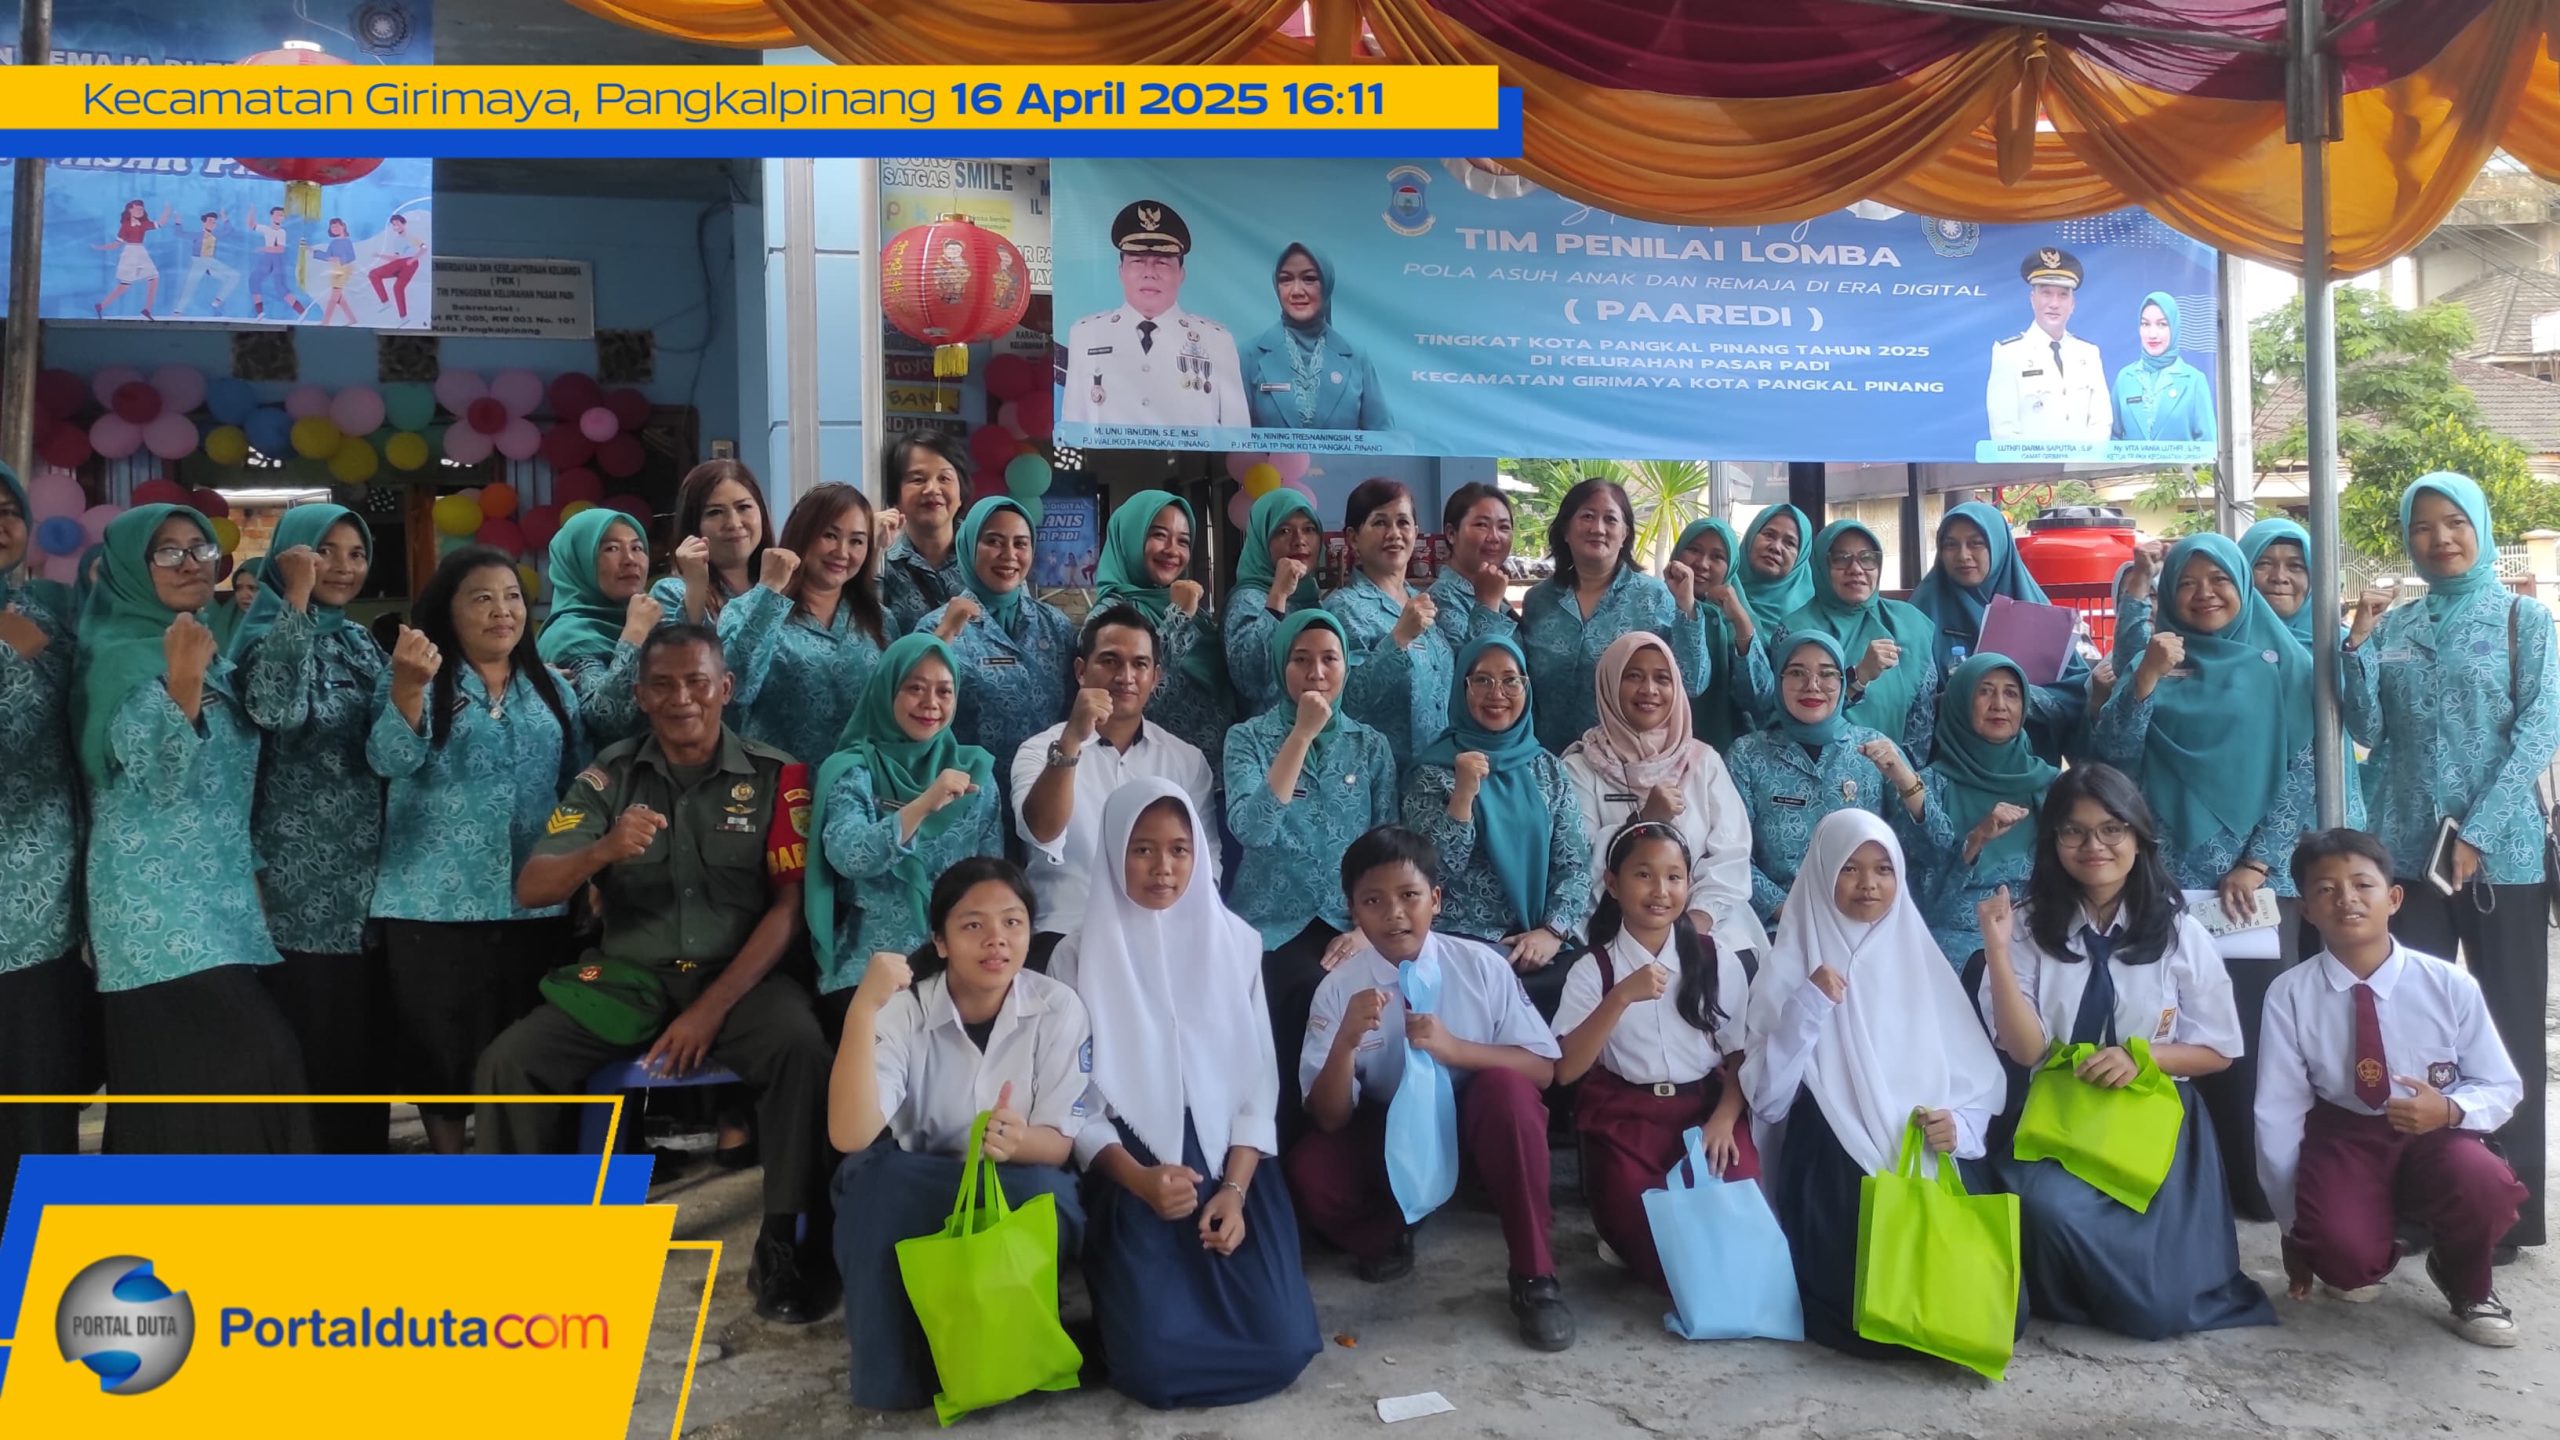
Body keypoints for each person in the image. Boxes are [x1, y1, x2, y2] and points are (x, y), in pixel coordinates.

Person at [475, 624, 835, 1323]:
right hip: (627, 980)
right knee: (509, 1062)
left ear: (725, 688)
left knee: (802, 1049)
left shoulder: (776, 776)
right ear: (640, 695)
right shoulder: (609, 777)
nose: (682, 699)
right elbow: (534, 886)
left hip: (740, 981)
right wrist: (602, 851)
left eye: (697, 682)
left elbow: (789, 909)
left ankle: (787, 1247)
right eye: (663, 685)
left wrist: (710, 1009)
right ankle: (527, 1250)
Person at [1975, 766, 2274, 1338]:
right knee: (2045, 1207)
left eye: (2112, 829)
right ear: (2052, 841)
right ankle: (2069, 1293)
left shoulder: (2178, 930)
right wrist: (1996, 951)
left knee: (2158, 1310)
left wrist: (2143, 1058)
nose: (2094, 846)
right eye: (2074, 831)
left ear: (2139, 836)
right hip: (2060, 1111)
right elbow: (2027, 1049)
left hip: (2153, 1117)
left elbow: (2219, 1050)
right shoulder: (2028, 926)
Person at [2343, 470, 2557, 1252]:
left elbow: (2540, 730)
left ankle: (2507, 1210)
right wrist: (2356, 649)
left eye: (2455, 522)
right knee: (2418, 1030)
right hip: (2407, 854)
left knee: (2506, 1024)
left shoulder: (2524, 619)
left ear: (2480, 528)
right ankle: (2425, 1201)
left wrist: (2479, 832)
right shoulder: (2395, 626)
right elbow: (2366, 728)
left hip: (2502, 859)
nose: (2440, 539)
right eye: (2423, 526)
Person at [1070, 780, 1322, 1408]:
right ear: (1113, 852)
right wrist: (1140, 1181)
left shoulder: (1236, 943)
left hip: (1231, 1158)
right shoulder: (1076, 958)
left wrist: (1234, 1190)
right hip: (1135, 1166)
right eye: (1142, 849)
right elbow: (1077, 1105)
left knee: (1284, 1347)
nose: (1163, 867)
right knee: (1152, 1369)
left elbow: (1257, 1080)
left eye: (1179, 849)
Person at [76, 504, 310, 1154]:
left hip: (222, 900)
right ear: (130, 568)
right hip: (153, 911)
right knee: (259, 1060)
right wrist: (182, 678)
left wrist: (251, 868)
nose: (189, 564)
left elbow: (228, 784)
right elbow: (158, 776)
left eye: (201, 549)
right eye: (167, 552)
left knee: (188, 1086)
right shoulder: (117, 660)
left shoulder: (214, 655)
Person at [1286, 827, 1574, 1351]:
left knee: (1508, 1093)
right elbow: (1329, 1117)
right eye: (1373, 901)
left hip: (1474, 1117)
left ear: (1436, 900)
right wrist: (1345, 1044)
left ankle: (1535, 1274)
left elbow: (1542, 1069)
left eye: (1409, 896)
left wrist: (1455, 1049)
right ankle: (1391, 1228)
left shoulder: (1481, 965)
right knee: (1313, 1170)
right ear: (1353, 910)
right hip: (1389, 1125)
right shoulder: (1339, 989)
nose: (1394, 913)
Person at [827, 860, 1093, 1413]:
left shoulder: (1058, 1007)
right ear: (941, 941)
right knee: (874, 1185)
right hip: (921, 1179)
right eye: (973, 925)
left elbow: (1059, 1144)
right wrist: (862, 1010)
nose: (997, 939)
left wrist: (1017, 1143)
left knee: (1049, 1194)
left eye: (1012, 922)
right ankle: (898, 1375)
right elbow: (850, 1134)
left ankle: (1010, 1354)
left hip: (1013, 1177)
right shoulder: (904, 1010)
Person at [1739, 809, 2006, 1358]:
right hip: (1835, 1149)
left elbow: (1977, 1079)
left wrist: (1960, 1126)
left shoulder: (1919, 960)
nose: (1868, 884)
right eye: (1849, 868)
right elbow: (1768, 1099)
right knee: (1859, 1309)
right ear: (1821, 874)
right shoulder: (1789, 966)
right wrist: (1808, 1007)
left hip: (1921, 1150)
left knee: (1993, 1306)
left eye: (1883, 869)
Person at [2259, 828, 2528, 1347]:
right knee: (2343, 1264)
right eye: (2326, 889)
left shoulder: (2448, 984)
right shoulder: (2289, 993)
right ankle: (2381, 1237)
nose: (2347, 899)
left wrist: (2449, 1110)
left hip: (2434, 1133)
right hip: (2345, 1135)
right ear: (2307, 910)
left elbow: (2501, 1084)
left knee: (2483, 1181)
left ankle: (2467, 1281)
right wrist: (2293, 1230)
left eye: (2363, 885)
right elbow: (2278, 1112)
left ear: (2394, 898)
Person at [368, 545, 584, 1155]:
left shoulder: (551, 690)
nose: (502, 611)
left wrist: (581, 867)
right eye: (482, 598)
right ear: (448, 612)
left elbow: (578, 783)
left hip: (533, 898)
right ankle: (450, 1165)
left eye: (512, 597)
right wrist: (408, 691)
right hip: (432, 900)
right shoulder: (415, 679)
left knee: (524, 1038)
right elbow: (388, 761)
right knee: (439, 1044)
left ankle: (515, 1161)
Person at [232, 504, 392, 1154]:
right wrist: (296, 599)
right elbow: (275, 707)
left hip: (367, 880)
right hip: (297, 885)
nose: (345, 568)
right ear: (292, 556)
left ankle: (360, 1183)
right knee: (314, 1046)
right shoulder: (261, 634)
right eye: (325, 552)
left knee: (360, 1051)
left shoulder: (358, 640)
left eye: (357, 553)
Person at [1552, 820, 1756, 1289]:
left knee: (1735, 1220)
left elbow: (1739, 1055)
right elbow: (1566, 1070)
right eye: (1643, 875)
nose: (1660, 891)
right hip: (1626, 1119)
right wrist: (1620, 997)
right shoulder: (1594, 969)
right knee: (1658, 1251)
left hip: (1705, 1111)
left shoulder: (1716, 958)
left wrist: (1724, 1120)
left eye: (1674, 877)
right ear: (1612, 884)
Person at [1222, 610, 1399, 1139]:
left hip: (1352, 922)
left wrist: (1366, 931)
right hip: (1273, 923)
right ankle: (1282, 1147)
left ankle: (1359, 1145)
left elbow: (1387, 850)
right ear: (1282, 666)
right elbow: (1251, 829)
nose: (1316, 672)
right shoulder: (1248, 738)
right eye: (1300, 659)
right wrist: (1300, 736)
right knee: (1299, 990)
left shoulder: (1370, 745)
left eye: (1329, 659)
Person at [2094, 533, 2313, 928]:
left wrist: (2256, 864)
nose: (2204, 593)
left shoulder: (2288, 666)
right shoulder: (2154, 661)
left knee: (2258, 971)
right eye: (2187, 583)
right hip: (2160, 871)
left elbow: (2303, 770)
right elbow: (2114, 757)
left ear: (2242, 583)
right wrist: (2145, 677)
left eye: (2219, 579)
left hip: (2256, 883)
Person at [807, 634, 1003, 1033]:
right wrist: (922, 805)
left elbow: (992, 880)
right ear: (886, 691)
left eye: (944, 691)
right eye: (915, 688)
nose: (930, 703)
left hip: (959, 963)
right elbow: (849, 856)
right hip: (870, 964)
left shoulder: (975, 775)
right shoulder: (851, 770)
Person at [1011, 606, 1216, 976]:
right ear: (1080, 671)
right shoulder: (1039, 750)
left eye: (1140, 664)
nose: (1125, 677)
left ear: (1156, 677)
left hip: (1162, 937)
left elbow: (1206, 865)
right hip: (1066, 932)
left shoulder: (1186, 760)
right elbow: (1041, 831)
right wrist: (1071, 741)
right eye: (1110, 661)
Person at [1403, 637, 1594, 1016]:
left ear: (1526, 687)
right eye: (1482, 680)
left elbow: (1574, 866)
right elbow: (1430, 874)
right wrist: (1462, 797)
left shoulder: (1548, 769)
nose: (1497, 693)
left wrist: (1553, 931)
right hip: (1458, 944)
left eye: (1510, 680)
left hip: (1538, 942)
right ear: (1463, 687)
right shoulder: (1431, 771)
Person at [0, 464, 94, 1201]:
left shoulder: (51, 611)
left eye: (9, 510)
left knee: (42, 1089)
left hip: (46, 899)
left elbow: (80, 717)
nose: (0, 523)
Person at [1562, 631, 1769, 962]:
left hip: (1709, 926)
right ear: (1610, 685)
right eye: (1633, 676)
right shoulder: (1581, 767)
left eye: (1662, 678)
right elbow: (1578, 864)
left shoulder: (1702, 762)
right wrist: (1644, 821)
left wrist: (1695, 924)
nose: (1649, 690)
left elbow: (1731, 854)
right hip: (1615, 928)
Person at [1521, 477, 1712, 754]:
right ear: (1565, 529)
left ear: (1624, 534)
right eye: (1587, 516)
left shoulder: (1654, 596)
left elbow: (1693, 682)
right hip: (1547, 760)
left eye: (1610, 519)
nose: (1598, 528)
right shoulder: (1538, 600)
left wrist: (1686, 606)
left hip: (1627, 764)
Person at [917, 496, 1076, 818]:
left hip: (1046, 798)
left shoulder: (1056, 626)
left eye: (1021, 543)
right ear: (968, 546)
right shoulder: (937, 627)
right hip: (967, 804)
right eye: (993, 541)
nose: (1009, 555)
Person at [1726, 633, 1897, 928]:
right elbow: (1731, 854)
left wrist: (1907, 780)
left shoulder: (1874, 750)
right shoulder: (1748, 755)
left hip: (1865, 923)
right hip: (1778, 928)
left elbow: (1919, 850)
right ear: (1778, 681)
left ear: (1842, 681)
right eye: (1796, 673)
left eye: (1827, 674)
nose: (1812, 685)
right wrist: (1789, 912)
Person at [720, 482, 889, 767]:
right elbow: (736, 691)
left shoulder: (879, 619)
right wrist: (770, 591)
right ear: (803, 534)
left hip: (860, 786)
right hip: (777, 785)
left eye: (857, 541)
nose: (842, 551)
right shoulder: (746, 609)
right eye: (830, 535)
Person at [1908, 653, 2058, 974]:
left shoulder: (2051, 786)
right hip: (1958, 942)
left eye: (2011, 693)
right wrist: (1975, 840)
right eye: (1985, 691)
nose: (1999, 704)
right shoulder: (1927, 788)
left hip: (2039, 935)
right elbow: (1925, 903)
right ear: (1961, 702)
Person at [1906, 502, 2090, 760]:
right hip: (1951, 760)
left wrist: (2018, 696)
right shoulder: (1922, 610)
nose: (1963, 555)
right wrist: (1955, 699)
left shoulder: (2035, 607)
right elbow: (1903, 696)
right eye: (1950, 544)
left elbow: (2077, 691)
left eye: (1976, 543)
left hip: (2028, 761)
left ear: (1999, 545)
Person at [1060, 198, 1246, 429]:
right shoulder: (1086, 335)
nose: (1149, 273)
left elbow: (1238, 434)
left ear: (1181, 274)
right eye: (1138, 261)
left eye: (1162, 263)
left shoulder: (1216, 341)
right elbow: (1073, 427)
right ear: (1121, 272)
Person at [1092, 488, 1230, 766]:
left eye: (1183, 541)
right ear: (1130, 538)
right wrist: (1178, 617)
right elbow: (1131, 695)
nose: (1172, 550)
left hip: (1213, 770)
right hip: (1150, 768)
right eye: (1158, 535)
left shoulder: (1191, 610)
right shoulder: (1109, 616)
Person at [1322, 477, 1451, 770]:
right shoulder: (1342, 608)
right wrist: (1398, 639)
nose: (1394, 534)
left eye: (1403, 522)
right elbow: (1342, 702)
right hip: (1376, 775)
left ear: (1416, 531)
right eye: (1380, 522)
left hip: (1435, 775)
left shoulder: (1423, 601)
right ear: (1353, 537)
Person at [1781, 519, 1939, 758]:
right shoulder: (1794, 631)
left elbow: (1922, 722)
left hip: (1894, 768)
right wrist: (1858, 677)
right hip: (1814, 768)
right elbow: (1788, 717)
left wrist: (1903, 773)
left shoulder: (1911, 624)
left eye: (1867, 558)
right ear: (1821, 565)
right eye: (1841, 558)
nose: (1855, 569)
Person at [536, 507, 656, 747]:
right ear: (578, 560)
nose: (630, 559)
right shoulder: (569, 636)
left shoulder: (652, 618)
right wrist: (634, 637)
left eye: (637, 548)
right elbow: (607, 718)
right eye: (611, 548)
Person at [1243, 242, 1390, 431]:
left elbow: (1383, 437)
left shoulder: (1356, 359)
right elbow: (1234, 439)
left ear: (1327, 284)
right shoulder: (1249, 356)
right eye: (1286, 279)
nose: (1296, 291)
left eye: (1309, 279)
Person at [1667, 518, 1773, 749]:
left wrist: (1741, 622)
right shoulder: (1657, 608)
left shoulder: (1741, 615)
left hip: (1731, 753)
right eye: (1694, 550)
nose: (1702, 564)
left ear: (1731, 566)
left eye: (1717, 557)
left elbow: (1759, 700)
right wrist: (1687, 608)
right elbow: (1691, 685)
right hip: (1667, 748)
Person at [1985, 247, 2108, 444]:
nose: (2054, 303)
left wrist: (2082, 459)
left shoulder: (2089, 353)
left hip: (2083, 463)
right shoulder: (2008, 354)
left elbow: (2101, 423)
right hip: (2028, 464)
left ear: (2073, 304)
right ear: (2032, 299)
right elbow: (2004, 432)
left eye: (2063, 295)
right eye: (2046, 293)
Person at [1223, 487, 1323, 715]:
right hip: (1268, 733)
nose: (1300, 541)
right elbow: (1252, 680)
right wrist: (1278, 595)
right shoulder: (1247, 599)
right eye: (1284, 531)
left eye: (1309, 529)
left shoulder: (1312, 597)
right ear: (1262, 538)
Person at [654, 458, 775, 625]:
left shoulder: (788, 586)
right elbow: (685, 641)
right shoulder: (671, 592)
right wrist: (696, 590)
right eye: (715, 512)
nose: (734, 523)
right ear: (693, 524)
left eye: (743, 507)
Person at [876, 431, 971, 637]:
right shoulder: (880, 562)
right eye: (918, 479)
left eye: (944, 478)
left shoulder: (985, 554)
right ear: (896, 495)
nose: (932, 489)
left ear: (961, 492)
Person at [2111, 291, 2215, 444]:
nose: (2152, 334)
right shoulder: (2125, 378)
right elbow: (2112, 439)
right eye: (2145, 324)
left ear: (2174, 328)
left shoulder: (2194, 380)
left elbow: (2207, 444)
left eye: (2162, 324)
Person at [1429, 482, 1520, 653]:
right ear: (1451, 533)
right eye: (1481, 525)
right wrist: (1488, 604)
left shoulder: (1495, 591)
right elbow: (1478, 664)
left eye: (1503, 527)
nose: (1494, 537)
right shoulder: (1439, 600)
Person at [1734, 504, 1815, 641]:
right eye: (1769, 535)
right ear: (1751, 536)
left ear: (1801, 556)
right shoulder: (1720, 593)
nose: (1776, 547)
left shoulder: (1812, 615)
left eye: (1789, 543)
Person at [93, 198, 173, 320]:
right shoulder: (125, 226)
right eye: (137, 209)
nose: (140, 211)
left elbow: (161, 223)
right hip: (130, 254)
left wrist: (167, 209)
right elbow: (116, 244)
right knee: (124, 285)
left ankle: (147, 310)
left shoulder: (143, 224)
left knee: (154, 278)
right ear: (130, 210)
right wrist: (99, 248)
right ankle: (101, 306)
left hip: (141, 252)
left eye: (142, 209)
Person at [242, 205, 304, 321]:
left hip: (277, 259)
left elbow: (280, 249)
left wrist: (263, 249)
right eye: (277, 214)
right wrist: (251, 211)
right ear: (271, 216)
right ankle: (260, 312)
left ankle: (301, 311)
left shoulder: (281, 232)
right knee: (254, 280)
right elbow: (251, 225)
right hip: (267, 258)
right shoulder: (266, 229)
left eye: (282, 215)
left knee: (280, 288)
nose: (280, 217)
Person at [171, 209, 239, 316]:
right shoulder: (198, 235)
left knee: (234, 275)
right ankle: (178, 311)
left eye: (214, 222)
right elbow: (180, 233)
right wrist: (178, 222)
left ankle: (218, 300)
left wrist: (224, 217)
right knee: (190, 286)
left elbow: (228, 230)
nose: (212, 223)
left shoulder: (215, 235)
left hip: (211, 262)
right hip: (199, 261)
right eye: (210, 221)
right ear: (204, 222)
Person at [208, 556, 266, 653]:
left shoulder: (284, 622)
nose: (243, 595)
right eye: (238, 588)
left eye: (252, 588)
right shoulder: (225, 617)